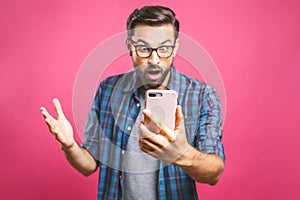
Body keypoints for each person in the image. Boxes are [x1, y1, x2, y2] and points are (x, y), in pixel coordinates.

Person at [41, 5, 225, 200]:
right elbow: (89, 166)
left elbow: (214, 173)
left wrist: (182, 154)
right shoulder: (108, 90)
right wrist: (69, 146)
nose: (154, 59)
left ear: (175, 48)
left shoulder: (202, 96)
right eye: (144, 48)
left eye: (164, 48)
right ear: (130, 47)